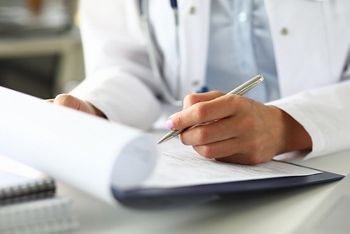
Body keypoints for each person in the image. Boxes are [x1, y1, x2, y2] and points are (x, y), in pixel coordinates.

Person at [52, 0, 350, 165]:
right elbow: (129, 62)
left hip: (331, 162)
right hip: (192, 169)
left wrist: (286, 127)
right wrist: (94, 108)